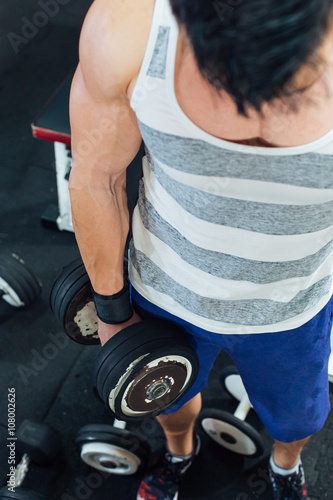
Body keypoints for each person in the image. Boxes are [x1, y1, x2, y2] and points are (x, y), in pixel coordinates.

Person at [69, 0, 333, 498]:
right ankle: (181, 452)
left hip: (295, 307)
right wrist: (110, 310)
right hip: (167, 291)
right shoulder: (129, 25)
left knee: (298, 418)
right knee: (169, 400)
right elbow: (95, 179)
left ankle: (283, 469)